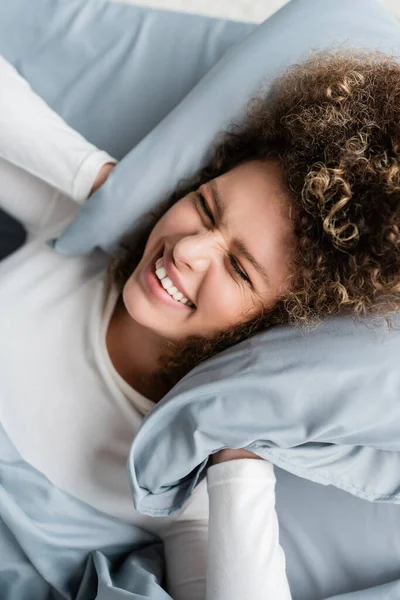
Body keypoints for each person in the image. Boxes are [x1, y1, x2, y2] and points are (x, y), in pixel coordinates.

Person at [0, 47, 399, 600]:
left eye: (237, 268)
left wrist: (241, 443)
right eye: (206, 208)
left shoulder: (180, 485)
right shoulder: (79, 240)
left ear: (281, 326)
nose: (187, 249)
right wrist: (105, 185)